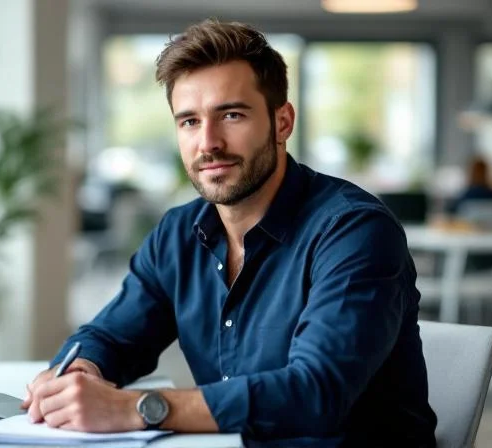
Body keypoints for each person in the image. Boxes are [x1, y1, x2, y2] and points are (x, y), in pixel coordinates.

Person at [22, 19, 437, 447]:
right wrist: (78, 376)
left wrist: (137, 408)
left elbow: (316, 391)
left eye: (231, 115)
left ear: (282, 122)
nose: (208, 143)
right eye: (189, 122)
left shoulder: (354, 231)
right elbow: (111, 336)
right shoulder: (178, 234)